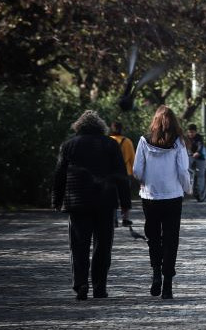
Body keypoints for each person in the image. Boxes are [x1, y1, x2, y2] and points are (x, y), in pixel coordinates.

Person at [52, 110, 131, 301]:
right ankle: (99, 287)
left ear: (78, 126)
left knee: (79, 245)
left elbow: (59, 175)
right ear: (100, 127)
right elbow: (121, 176)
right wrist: (125, 205)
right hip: (105, 202)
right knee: (103, 246)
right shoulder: (110, 144)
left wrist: (57, 200)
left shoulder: (69, 145)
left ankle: (81, 284)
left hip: (78, 203)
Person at [133, 105, 192, 300]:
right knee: (170, 239)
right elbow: (183, 170)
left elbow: (137, 170)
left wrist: (144, 181)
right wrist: (187, 188)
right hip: (173, 196)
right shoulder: (178, 143)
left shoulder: (144, 140)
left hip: (150, 197)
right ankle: (168, 282)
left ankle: (156, 271)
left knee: (153, 237)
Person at [109, 120, 135, 226]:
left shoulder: (108, 140)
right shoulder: (127, 141)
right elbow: (133, 159)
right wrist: (135, 173)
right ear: (122, 129)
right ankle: (125, 219)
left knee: (111, 196)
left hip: (110, 173)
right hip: (125, 172)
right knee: (125, 196)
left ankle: (113, 219)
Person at [186, 124, 206, 200]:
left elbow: (200, 145)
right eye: (189, 132)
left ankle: (200, 191)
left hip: (201, 157)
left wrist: (198, 152)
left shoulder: (199, 137)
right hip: (191, 155)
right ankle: (188, 185)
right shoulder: (186, 138)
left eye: (192, 132)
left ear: (196, 132)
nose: (191, 134)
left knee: (200, 175)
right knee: (185, 168)